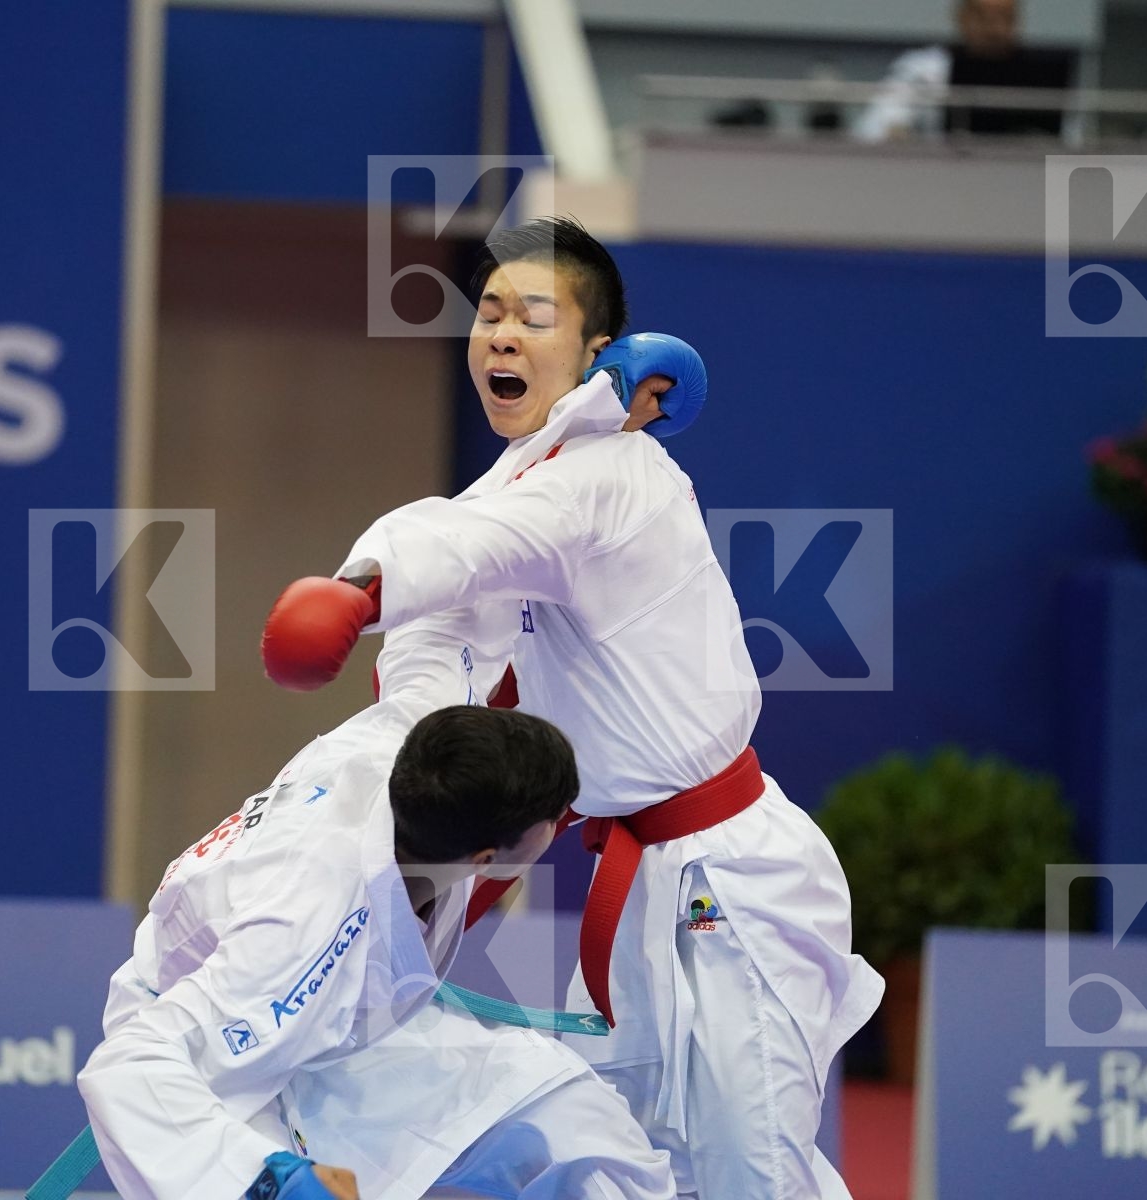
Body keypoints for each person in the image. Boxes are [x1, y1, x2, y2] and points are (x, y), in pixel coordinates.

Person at [260, 216, 883, 1200]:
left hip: (729, 876)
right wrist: (382, 691)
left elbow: (476, 549)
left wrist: (364, 596)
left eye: (532, 317)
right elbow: (450, 597)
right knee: (642, 1170)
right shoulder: (508, 490)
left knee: (748, 1176)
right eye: (488, 314)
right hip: (633, 884)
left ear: (597, 354)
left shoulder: (610, 474)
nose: (499, 334)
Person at [78, 619, 676, 1200]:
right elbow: (128, 1064)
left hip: (351, 1033)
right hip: (234, 1065)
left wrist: (370, 589)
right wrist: (264, 1184)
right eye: (554, 819)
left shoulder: (416, 747)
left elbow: (439, 634)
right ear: (490, 856)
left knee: (577, 1124)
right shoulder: (304, 925)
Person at [853, 0, 1072, 142]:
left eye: (1007, 18)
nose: (995, 30)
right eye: (984, 18)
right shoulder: (925, 70)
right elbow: (873, 127)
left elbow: (1074, 141)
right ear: (962, 17)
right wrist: (896, 134)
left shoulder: (1041, 77)